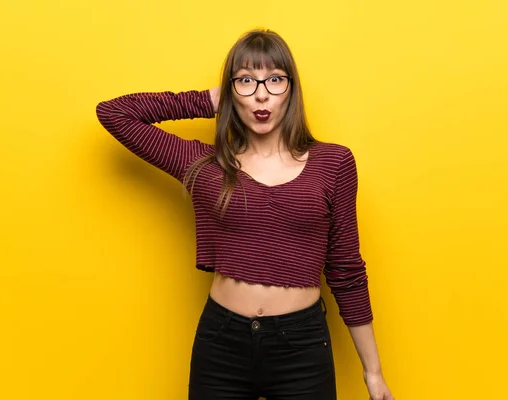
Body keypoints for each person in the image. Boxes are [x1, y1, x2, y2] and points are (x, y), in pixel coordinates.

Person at [96, 28, 393, 400]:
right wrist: (207, 99)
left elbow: (346, 268)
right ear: (231, 91)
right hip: (222, 343)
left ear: (292, 89)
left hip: (301, 344)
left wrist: (373, 372)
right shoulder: (205, 165)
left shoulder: (332, 163)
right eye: (246, 81)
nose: (262, 94)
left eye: (274, 80)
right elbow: (115, 113)